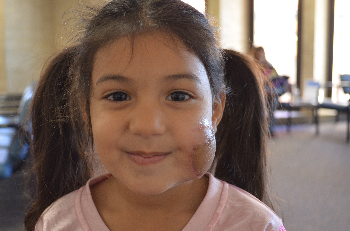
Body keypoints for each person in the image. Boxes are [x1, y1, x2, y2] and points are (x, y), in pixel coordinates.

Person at [24, 1, 285, 230]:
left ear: (216, 110)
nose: (147, 126)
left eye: (179, 96)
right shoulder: (56, 224)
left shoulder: (257, 225)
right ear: (86, 109)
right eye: (118, 96)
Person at [251, 46, 279, 137]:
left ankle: (270, 130)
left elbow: (276, 80)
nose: (260, 57)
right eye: (258, 55)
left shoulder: (269, 67)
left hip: (269, 94)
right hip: (256, 93)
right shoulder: (252, 66)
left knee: (272, 102)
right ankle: (258, 130)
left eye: (262, 55)